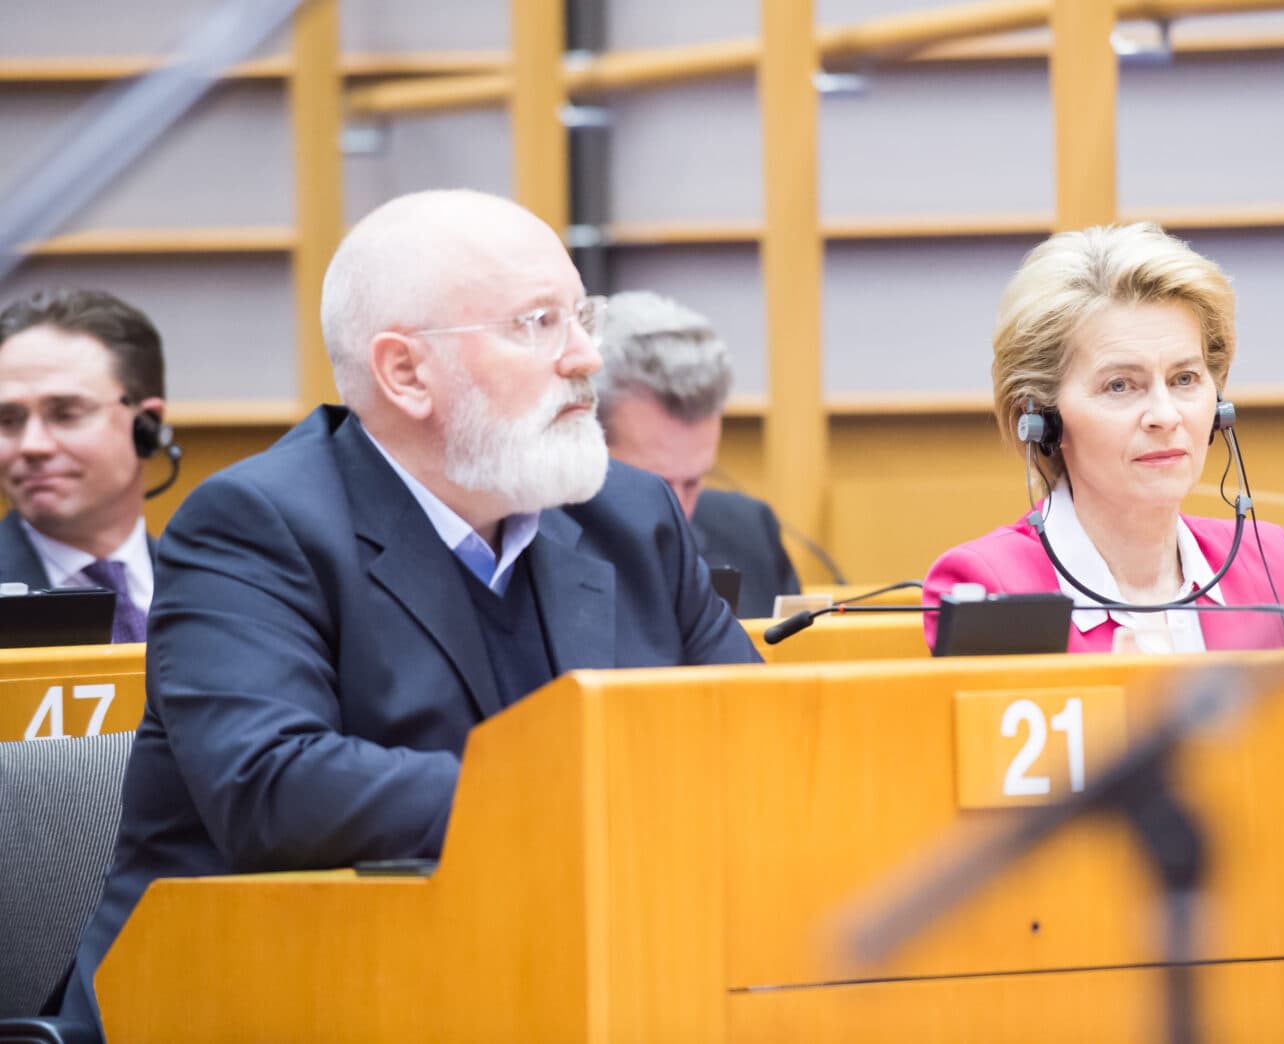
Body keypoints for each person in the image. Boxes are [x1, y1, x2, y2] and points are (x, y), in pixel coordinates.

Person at [63, 189, 762, 1023]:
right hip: (262, 989)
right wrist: (586, 793)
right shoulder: (258, 525)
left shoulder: (629, 514)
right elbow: (274, 788)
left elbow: (748, 741)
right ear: (405, 372)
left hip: (558, 979)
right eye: (538, 323)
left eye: (583, 316)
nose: (584, 357)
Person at [923, 222, 1284, 652]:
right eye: (1119, 385)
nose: (1164, 415)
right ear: (1043, 417)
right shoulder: (992, 584)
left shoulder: (1268, 561)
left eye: (1185, 378)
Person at [595, 290, 800, 618]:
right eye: (654, 485)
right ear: (587, 445)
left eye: (693, 482)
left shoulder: (751, 532)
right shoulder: (532, 552)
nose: (677, 510)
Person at [0, 288, 169, 642]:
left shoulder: (221, 590)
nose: (32, 445)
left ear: (147, 426)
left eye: (66, 414)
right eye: (8, 419)